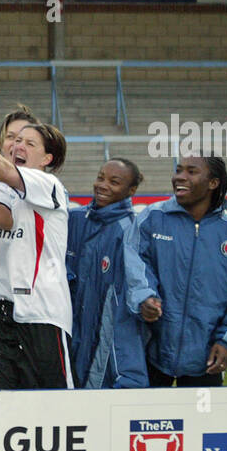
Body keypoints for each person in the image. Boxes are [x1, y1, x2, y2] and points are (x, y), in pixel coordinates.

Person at [125, 155, 227, 387]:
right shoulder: (151, 219)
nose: (180, 177)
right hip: (150, 353)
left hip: (207, 358)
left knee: (201, 424)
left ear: (213, 183)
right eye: (179, 170)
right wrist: (144, 298)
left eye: (191, 171)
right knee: (149, 422)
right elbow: (135, 265)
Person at [0, 121, 74, 390]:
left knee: (55, 403)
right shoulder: (2, 192)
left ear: (47, 158)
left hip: (41, 312)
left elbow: (5, 171)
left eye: (29, 143)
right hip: (2, 309)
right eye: (16, 140)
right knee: (2, 403)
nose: (18, 146)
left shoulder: (49, 184)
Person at [66, 158, 149, 389]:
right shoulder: (73, 220)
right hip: (68, 330)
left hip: (102, 338)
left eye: (114, 182)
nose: (102, 185)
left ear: (131, 190)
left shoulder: (130, 232)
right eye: (100, 177)